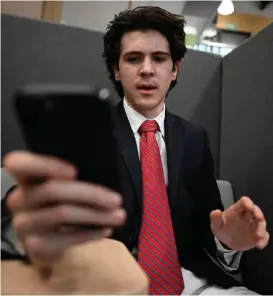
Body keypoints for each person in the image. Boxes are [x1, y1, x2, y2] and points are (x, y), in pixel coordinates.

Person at [2, 6, 269, 295]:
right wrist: (26, 218)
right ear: (116, 70)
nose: (146, 69)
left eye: (159, 58)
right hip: (111, 283)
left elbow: (212, 224)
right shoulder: (88, 133)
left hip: (192, 281)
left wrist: (226, 241)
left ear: (174, 69)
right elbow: (21, 211)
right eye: (133, 58)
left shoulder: (194, 137)